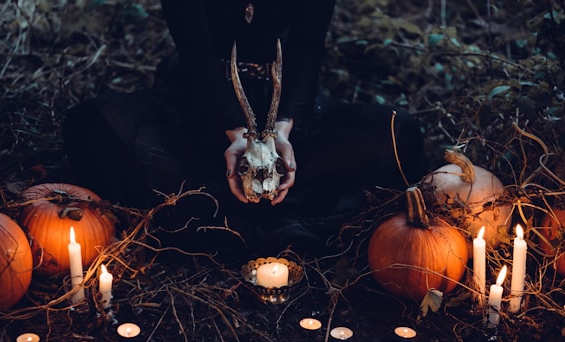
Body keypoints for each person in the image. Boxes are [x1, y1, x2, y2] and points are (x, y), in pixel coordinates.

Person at [62, 0, 426, 256]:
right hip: (200, 103)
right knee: (93, 125)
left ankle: (230, 206)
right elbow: (195, 50)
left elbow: (309, 45)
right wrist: (234, 132)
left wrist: (283, 128)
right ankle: (254, 209)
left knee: (398, 135)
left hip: (285, 104)